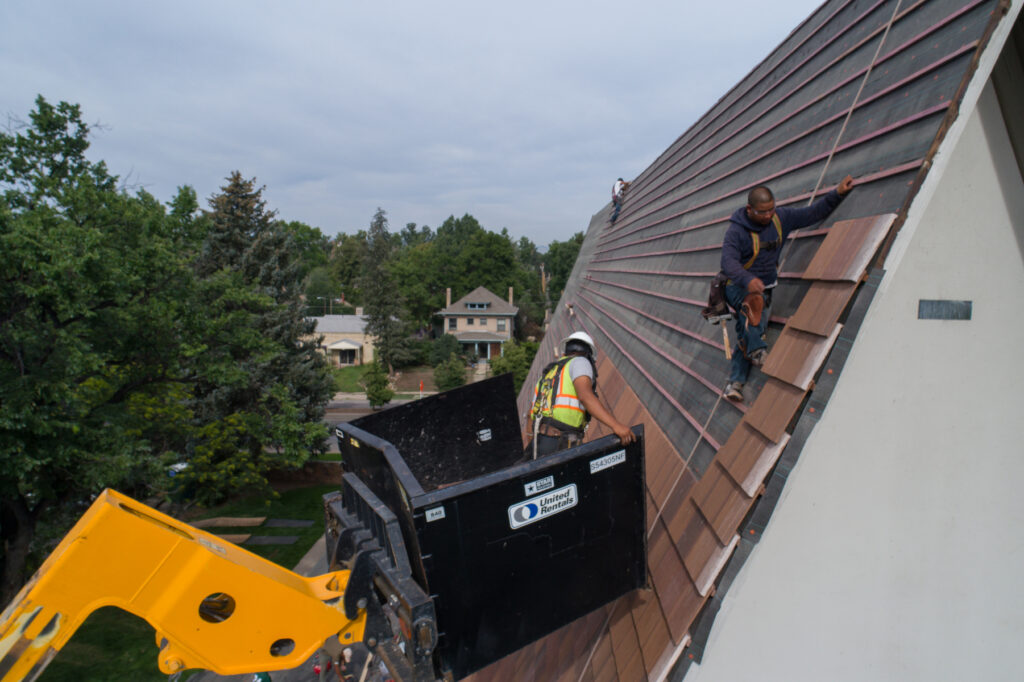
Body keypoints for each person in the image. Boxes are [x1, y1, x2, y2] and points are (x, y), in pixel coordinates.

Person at [721, 175, 855, 402]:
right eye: (762, 212)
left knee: (747, 330)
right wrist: (747, 279)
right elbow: (728, 262)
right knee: (750, 310)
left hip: (765, 289)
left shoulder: (780, 219)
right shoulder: (736, 232)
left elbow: (812, 214)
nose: (768, 215)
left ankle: (735, 383)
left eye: (771, 210)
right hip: (736, 287)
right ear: (749, 209)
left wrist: (838, 193)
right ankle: (759, 352)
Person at [527, 331, 636, 457]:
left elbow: (531, 416)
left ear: (565, 352)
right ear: (589, 355)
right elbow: (585, 397)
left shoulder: (548, 374)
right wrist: (616, 426)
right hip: (560, 443)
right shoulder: (580, 362)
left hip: (540, 442)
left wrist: (533, 444)